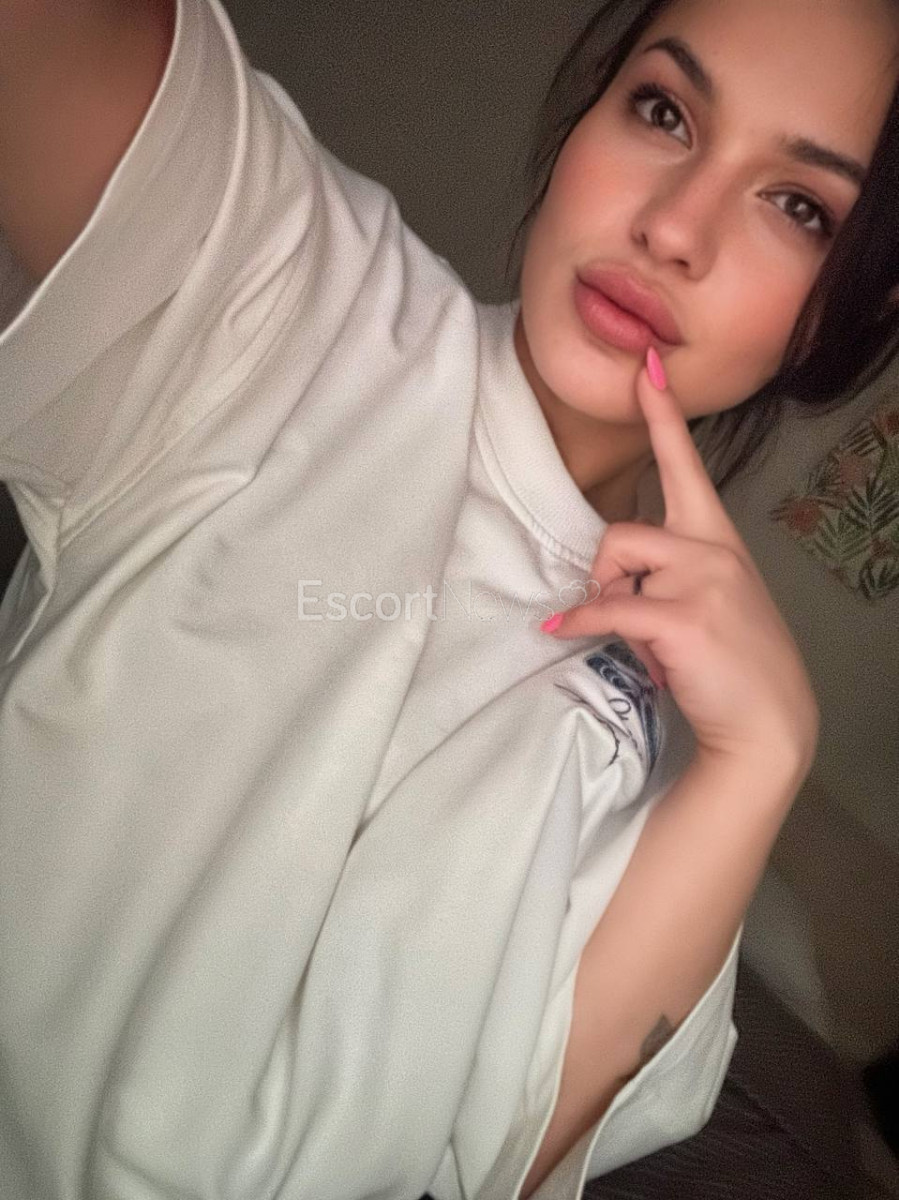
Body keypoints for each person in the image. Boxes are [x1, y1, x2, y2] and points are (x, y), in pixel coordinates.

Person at [0, 1, 896, 1198]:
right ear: (585, 112)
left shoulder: (693, 723)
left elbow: (513, 1161)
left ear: (843, 318)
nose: (673, 227)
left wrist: (760, 761)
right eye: (662, 111)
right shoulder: (297, 292)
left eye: (797, 206)